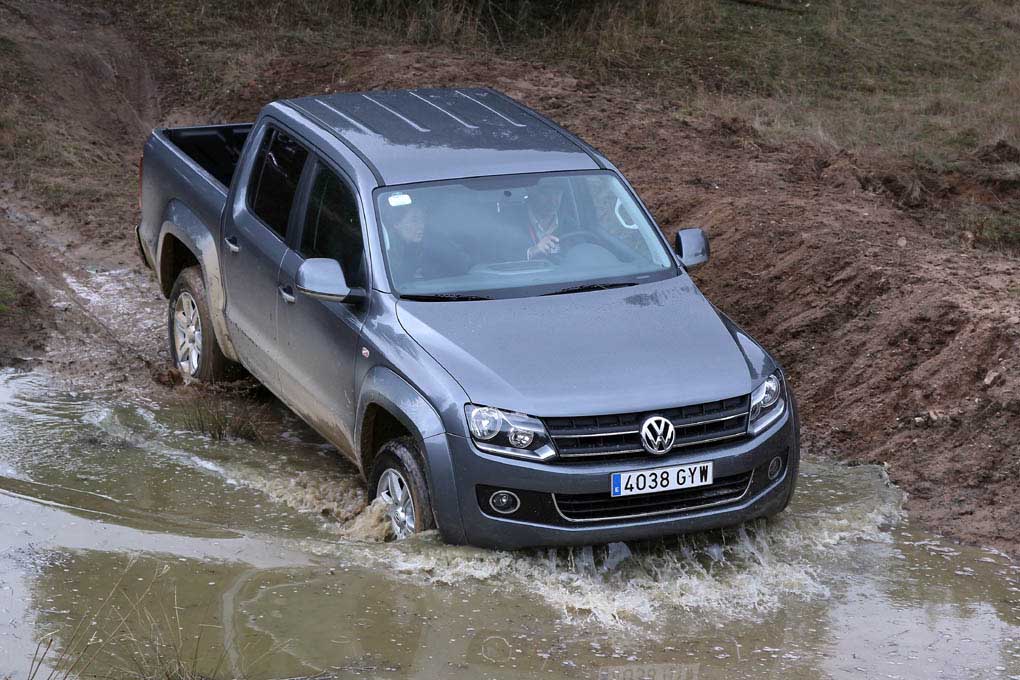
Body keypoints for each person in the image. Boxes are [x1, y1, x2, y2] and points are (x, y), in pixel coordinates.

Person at [522, 184, 569, 260]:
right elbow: (501, 256)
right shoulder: (510, 223)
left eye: (557, 193)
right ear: (531, 192)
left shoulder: (572, 226)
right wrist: (532, 252)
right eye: (546, 194)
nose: (553, 201)